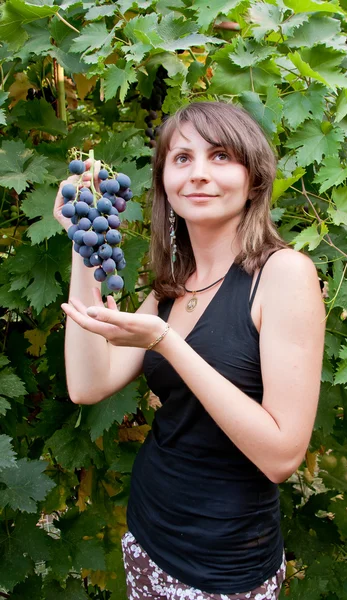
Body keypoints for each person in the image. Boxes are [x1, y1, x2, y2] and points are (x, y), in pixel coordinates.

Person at [54, 101, 325, 600]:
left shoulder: (284, 275)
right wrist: (82, 238)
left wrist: (166, 343)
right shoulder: (174, 286)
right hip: (148, 534)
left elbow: (281, 456)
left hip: (224, 566)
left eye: (220, 155)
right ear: (163, 184)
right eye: (181, 159)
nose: (198, 174)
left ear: (254, 177)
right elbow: (87, 385)